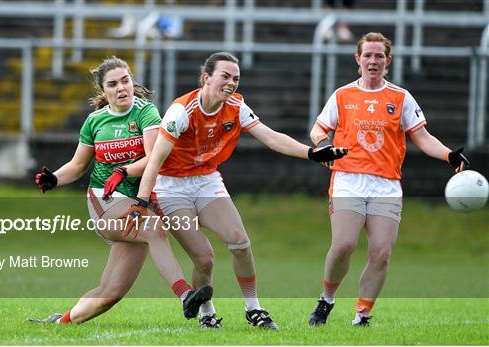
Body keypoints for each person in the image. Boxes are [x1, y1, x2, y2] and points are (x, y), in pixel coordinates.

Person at [103, 52, 348, 329]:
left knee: (240, 241)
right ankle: (207, 314)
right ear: (206, 78)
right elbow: (156, 160)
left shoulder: (236, 106)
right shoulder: (181, 111)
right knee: (204, 258)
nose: (231, 83)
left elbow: (270, 137)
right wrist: (143, 202)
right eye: (225, 76)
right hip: (171, 187)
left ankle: (254, 309)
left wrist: (312, 153)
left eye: (236, 78)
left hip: (206, 181)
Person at [29, 56, 212, 324]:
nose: (121, 88)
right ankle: (186, 296)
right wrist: (54, 179)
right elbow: (78, 165)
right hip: (106, 202)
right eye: (113, 84)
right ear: (103, 91)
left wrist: (124, 171)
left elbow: (154, 157)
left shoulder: (145, 111)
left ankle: (62, 321)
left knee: (111, 292)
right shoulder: (95, 121)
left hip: (138, 203)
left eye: (125, 81)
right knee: (154, 228)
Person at [307, 32, 470, 327]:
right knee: (343, 244)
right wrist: (322, 145)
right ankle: (326, 300)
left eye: (379, 56)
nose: (373, 61)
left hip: (386, 184)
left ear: (388, 61)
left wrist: (449, 155)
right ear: (358, 59)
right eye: (367, 55)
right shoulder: (343, 95)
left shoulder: (400, 97)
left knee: (381, 252)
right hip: (348, 179)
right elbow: (318, 129)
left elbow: (421, 136)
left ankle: (362, 314)